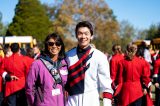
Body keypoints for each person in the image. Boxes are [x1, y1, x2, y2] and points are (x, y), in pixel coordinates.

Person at [65, 21, 113, 106]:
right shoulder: (68, 55)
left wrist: (107, 104)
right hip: (71, 101)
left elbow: (106, 85)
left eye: (86, 33)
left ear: (91, 36)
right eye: (80, 33)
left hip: (91, 100)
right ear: (76, 35)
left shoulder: (100, 56)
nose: (83, 36)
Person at [25, 33, 68, 106]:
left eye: (57, 43)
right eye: (51, 44)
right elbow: (29, 88)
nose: (54, 46)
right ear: (46, 45)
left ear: (61, 46)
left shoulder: (65, 63)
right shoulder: (37, 64)